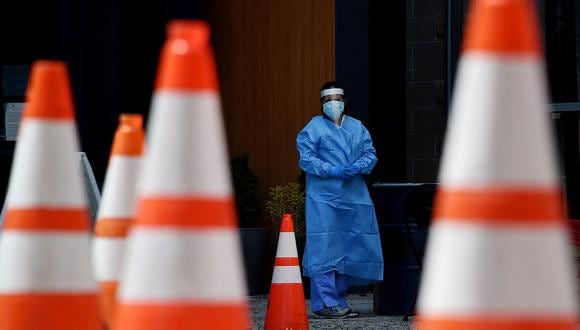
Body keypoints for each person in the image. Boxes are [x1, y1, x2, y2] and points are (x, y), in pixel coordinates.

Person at [296, 81, 383, 319]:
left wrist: (359, 166)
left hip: (354, 197)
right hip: (324, 198)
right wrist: (332, 170)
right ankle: (325, 303)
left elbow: (370, 153)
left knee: (350, 246)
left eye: (337, 98)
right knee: (324, 247)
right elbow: (307, 159)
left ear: (345, 101)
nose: (333, 103)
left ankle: (338, 300)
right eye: (328, 100)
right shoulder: (312, 128)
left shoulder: (357, 127)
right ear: (321, 103)